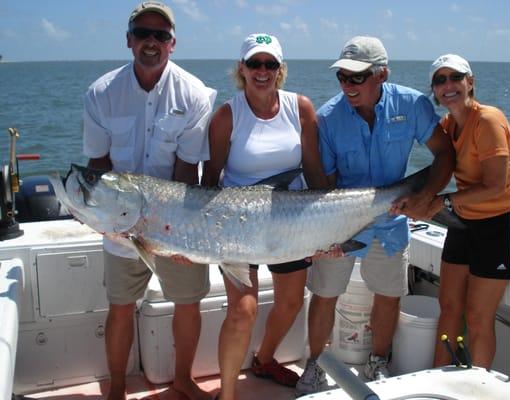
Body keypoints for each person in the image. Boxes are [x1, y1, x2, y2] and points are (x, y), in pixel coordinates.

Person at [295, 36, 455, 395]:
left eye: (357, 77)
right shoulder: (328, 118)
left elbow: (444, 154)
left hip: (392, 221)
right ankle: (315, 364)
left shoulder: (412, 104)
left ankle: (378, 361)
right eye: (342, 77)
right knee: (324, 294)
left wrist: (427, 197)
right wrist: (326, 236)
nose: (347, 85)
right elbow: (325, 187)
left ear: (382, 75)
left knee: (388, 295)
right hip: (341, 218)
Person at [82, 2, 216, 399]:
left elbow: (187, 170)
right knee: (121, 306)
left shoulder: (194, 94)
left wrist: (177, 235)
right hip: (120, 223)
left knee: (187, 303)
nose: (151, 42)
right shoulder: (101, 93)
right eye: (143, 33)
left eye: (161, 35)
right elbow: (98, 165)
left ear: (173, 44)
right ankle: (117, 389)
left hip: (176, 222)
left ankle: (183, 381)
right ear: (129, 40)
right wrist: (105, 219)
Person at [201, 33, 328, 400]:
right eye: (254, 64)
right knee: (243, 310)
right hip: (238, 224)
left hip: (290, 222)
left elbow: (315, 172)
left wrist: (325, 231)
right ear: (241, 69)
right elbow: (209, 183)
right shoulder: (227, 116)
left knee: (291, 302)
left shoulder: (300, 107)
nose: (262, 71)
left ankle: (265, 359)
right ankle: (226, 395)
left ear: (281, 70)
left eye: (270, 64)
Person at [422, 54, 510, 368]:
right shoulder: (447, 126)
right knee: (449, 305)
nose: (448, 85)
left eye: (455, 77)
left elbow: (497, 186)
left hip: (502, 222)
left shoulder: (488, 119)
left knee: (479, 315)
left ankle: (478, 385)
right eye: (440, 80)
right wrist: (416, 200)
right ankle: (438, 376)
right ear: (434, 90)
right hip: (466, 220)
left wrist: (442, 202)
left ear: (470, 82)